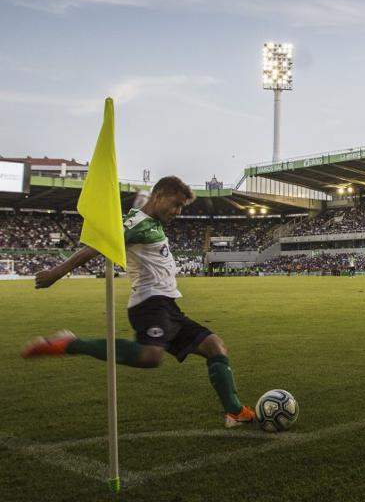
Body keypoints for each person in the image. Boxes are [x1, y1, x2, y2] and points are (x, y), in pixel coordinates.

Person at [21, 176, 256, 427]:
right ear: (160, 196)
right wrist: (57, 272)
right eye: (175, 204)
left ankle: (235, 412)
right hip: (149, 303)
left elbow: (143, 203)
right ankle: (71, 344)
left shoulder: (150, 219)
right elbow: (97, 246)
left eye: (181, 207)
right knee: (150, 356)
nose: (177, 212)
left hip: (169, 306)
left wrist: (141, 197)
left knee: (215, 346)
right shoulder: (135, 224)